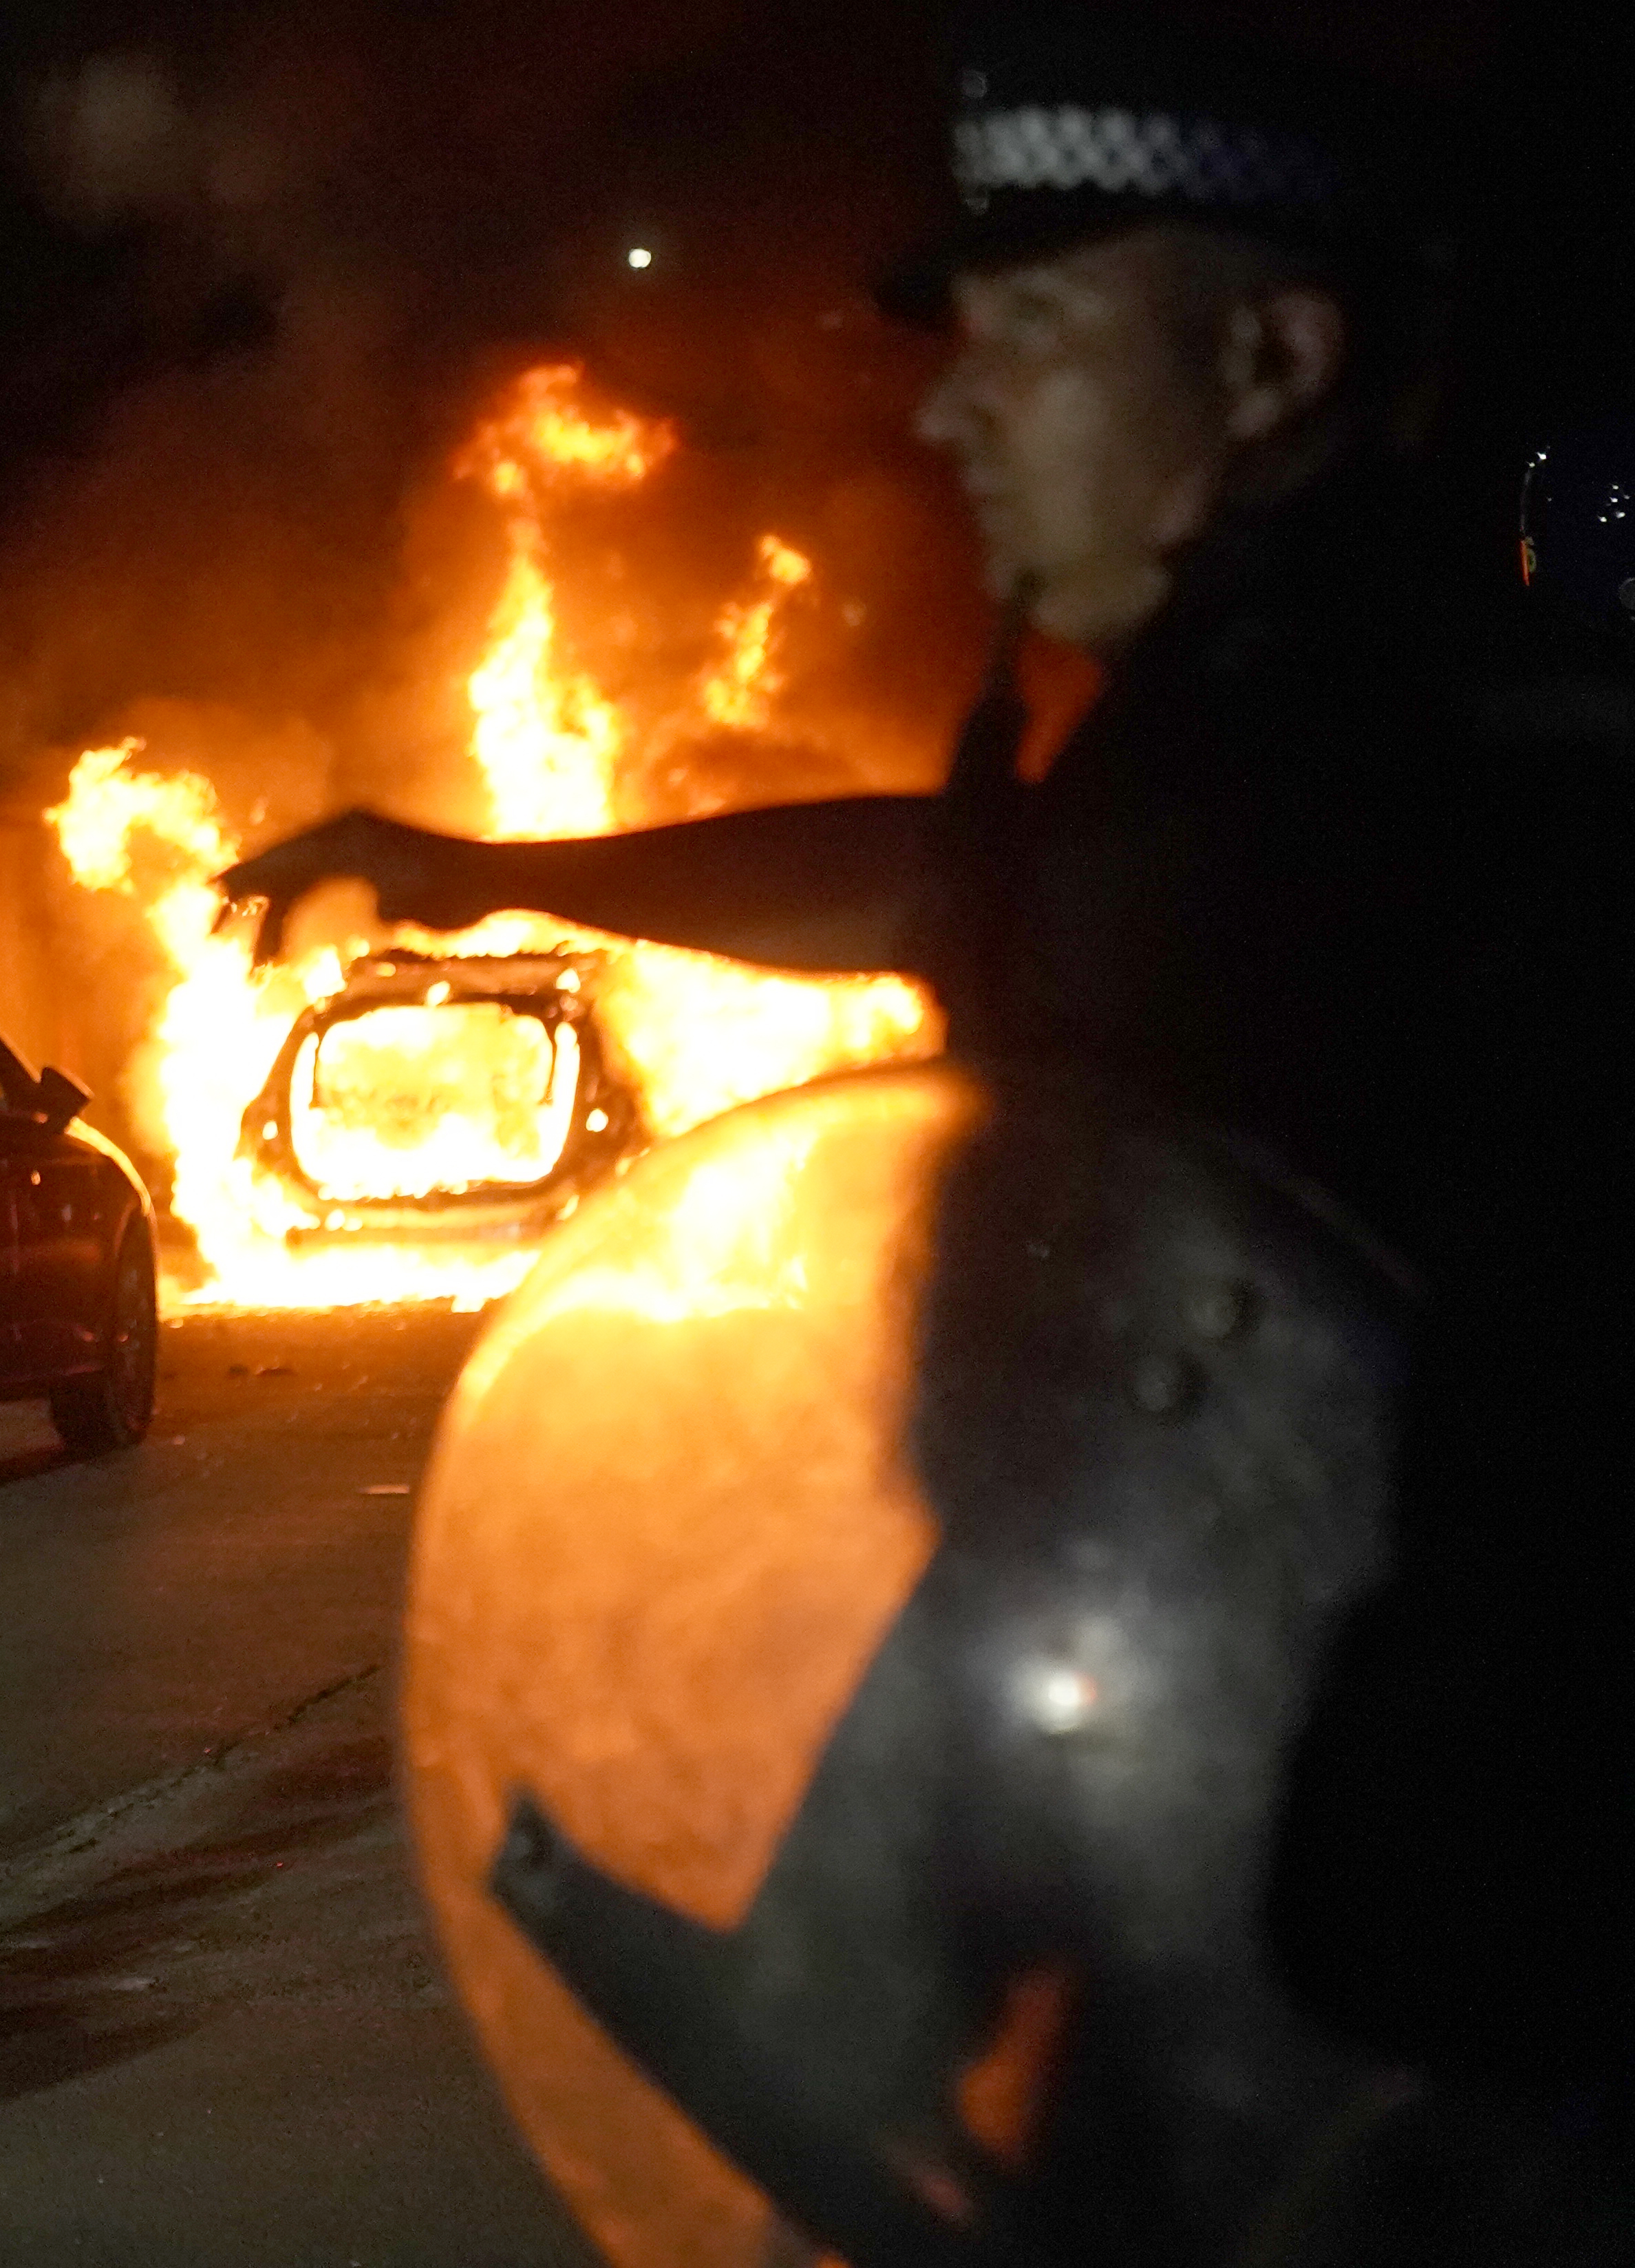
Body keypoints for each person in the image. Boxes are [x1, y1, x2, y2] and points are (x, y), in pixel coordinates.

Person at [231, 2, 1631, 2235]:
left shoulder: (1451, 826)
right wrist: (488, 866)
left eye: (1041, 329)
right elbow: (933, 881)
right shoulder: (1214, 747)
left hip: (1406, 2043)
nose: (957, 403)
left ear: (1270, 367)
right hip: (1196, 1934)